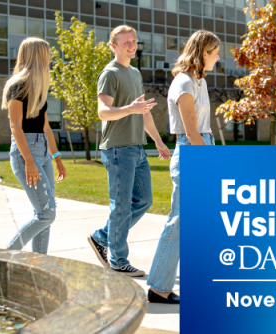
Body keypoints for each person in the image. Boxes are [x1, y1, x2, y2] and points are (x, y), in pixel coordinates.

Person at [87, 25, 171, 277]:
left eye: (133, 41)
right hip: (117, 148)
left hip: (137, 147)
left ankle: (101, 237)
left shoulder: (134, 73)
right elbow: (103, 112)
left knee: (144, 200)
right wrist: (129, 110)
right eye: (125, 42)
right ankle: (118, 259)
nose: (131, 46)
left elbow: (143, 111)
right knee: (121, 205)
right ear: (113, 46)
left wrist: (157, 140)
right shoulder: (109, 74)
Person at [147, 30, 220, 304]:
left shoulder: (198, 81)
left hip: (202, 147)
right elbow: (191, 131)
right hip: (193, 153)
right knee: (179, 222)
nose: (217, 58)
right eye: (214, 53)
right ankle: (159, 287)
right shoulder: (184, 82)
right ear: (203, 53)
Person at [2, 37, 66, 254]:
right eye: (47, 53)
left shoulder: (39, 86)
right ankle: (6, 255)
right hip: (25, 151)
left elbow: (46, 127)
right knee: (46, 214)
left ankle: (39, 264)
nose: (50, 58)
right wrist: (29, 160)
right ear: (37, 56)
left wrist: (57, 158)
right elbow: (15, 127)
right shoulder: (18, 86)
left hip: (43, 151)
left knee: (44, 214)